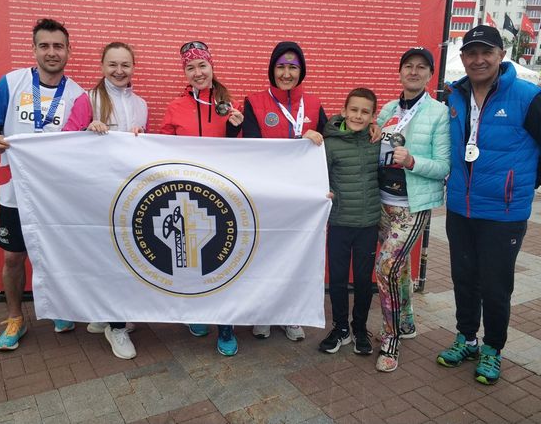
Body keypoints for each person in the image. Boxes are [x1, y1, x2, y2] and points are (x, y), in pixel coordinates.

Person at [438, 25, 541, 385]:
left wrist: (522, 185)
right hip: (461, 209)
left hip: (503, 214)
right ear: (463, 58)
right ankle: (466, 338)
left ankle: (492, 348)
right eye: (471, 53)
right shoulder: (455, 96)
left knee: (495, 286)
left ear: (501, 55)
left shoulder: (527, 96)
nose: (479, 60)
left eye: (487, 52)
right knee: (464, 278)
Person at [0, 18, 86, 350]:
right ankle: (15, 318)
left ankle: (58, 309)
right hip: (17, 190)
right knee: (13, 257)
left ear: (68, 51)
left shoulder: (79, 95)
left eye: (58, 46)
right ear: (34, 49)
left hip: (56, 194)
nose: (52, 52)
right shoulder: (11, 83)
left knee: (57, 255)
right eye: (45, 46)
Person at [63, 41, 147, 359]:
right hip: (97, 192)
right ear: (102, 66)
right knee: (108, 258)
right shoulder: (88, 99)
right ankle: (116, 326)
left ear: (133, 67)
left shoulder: (141, 104)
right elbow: (64, 142)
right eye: (112, 64)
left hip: (129, 194)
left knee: (123, 256)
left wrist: (142, 136)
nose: (119, 70)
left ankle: (106, 315)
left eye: (125, 64)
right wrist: (86, 130)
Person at [159, 40, 244, 356]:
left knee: (223, 258)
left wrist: (236, 128)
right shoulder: (175, 106)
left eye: (202, 65)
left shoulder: (228, 104)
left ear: (211, 66)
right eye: (191, 67)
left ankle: (226, 324)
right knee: (191, 258)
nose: (197, 72)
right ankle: (196, 310)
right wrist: (140, 138)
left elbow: (243, 148)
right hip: (186, 195)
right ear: (185, 72)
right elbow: (161, 148)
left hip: (221, 194)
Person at [243, 41, 326, 342]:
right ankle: (264, 313)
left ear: (301, 71)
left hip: (301, 199)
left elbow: (332, 143)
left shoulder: (314, 104)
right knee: (264, 255)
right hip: (267, 195)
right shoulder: (254, 102)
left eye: (293, 67)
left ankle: (291, 314)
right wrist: (297, 140)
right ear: (272, 69)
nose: (286, 73)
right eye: (281, 67)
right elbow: (251, 148)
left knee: (295, 256)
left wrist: (368, 128)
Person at [375, 47, 450, 372]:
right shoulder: (388, 109)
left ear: (430, 74)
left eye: (421, 67)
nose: (414, 72)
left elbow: (444, 166)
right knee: (400, 267)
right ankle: (405, 322)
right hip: (382, 202)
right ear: (400, 71)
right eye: (409, 66)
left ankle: (391, 339)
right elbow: (370, 142)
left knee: (386, 268)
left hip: (412, 206)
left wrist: (413, 161)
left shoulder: (438, 113)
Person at [319, 88, 381, 355]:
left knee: (364, 281)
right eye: (354, 110)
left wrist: (379, 130)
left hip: (368, 224)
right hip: (339, 222)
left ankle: (360, 328)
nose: (358, 116)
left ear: (373, 116)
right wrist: (326, 191)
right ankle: (340, 327)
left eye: (365, 112)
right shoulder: (329, 143)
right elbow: (318, 177)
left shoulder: (377, 141)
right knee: (338, 279)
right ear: (344, 111)